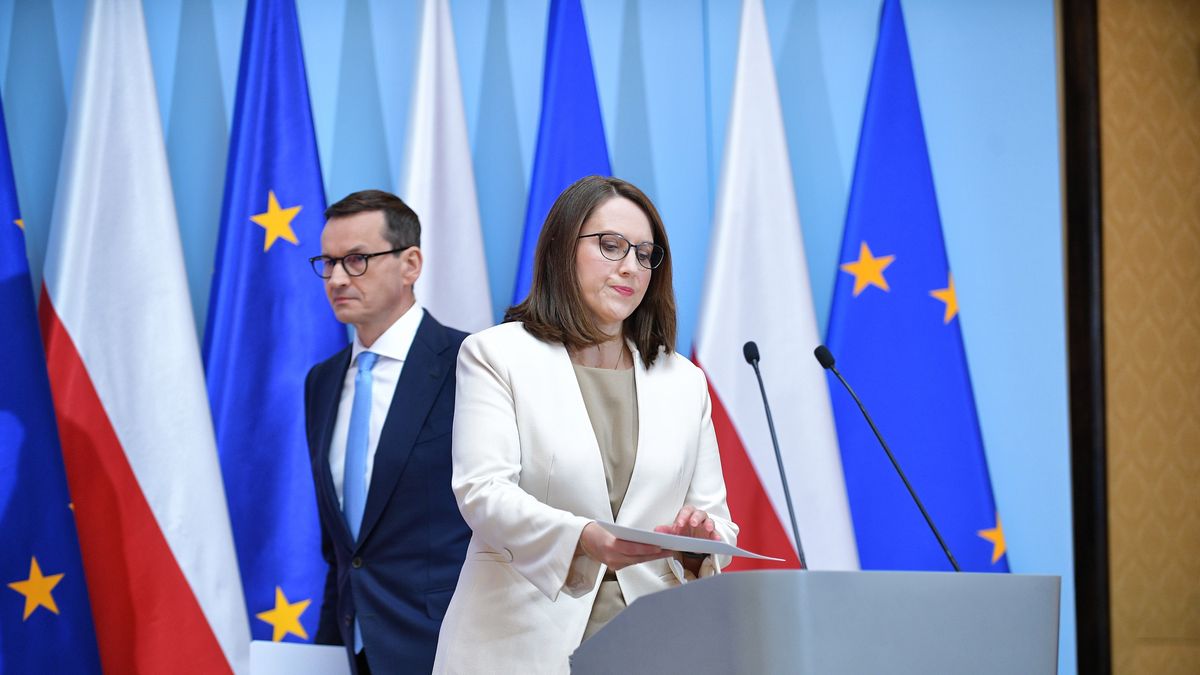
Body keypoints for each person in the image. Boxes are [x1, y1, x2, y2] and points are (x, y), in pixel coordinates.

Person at [433, 176, 739, 673]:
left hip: (652, 645)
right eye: (612, 246)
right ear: (561, 248)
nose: (631, 267)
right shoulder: (497, 354)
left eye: (645, 254)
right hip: (519, 645)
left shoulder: (683, 380)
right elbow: (482, 491)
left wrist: (695, 540)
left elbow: (714, 518)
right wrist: (584, 536)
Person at [304, 190, 471, 674]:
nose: (336, 278)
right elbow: (343, 552)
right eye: (328, 262)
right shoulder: (322, 381)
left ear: (410, 263)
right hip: (354, 651)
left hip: (448, 648)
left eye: (356, 260)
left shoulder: (470, 364)